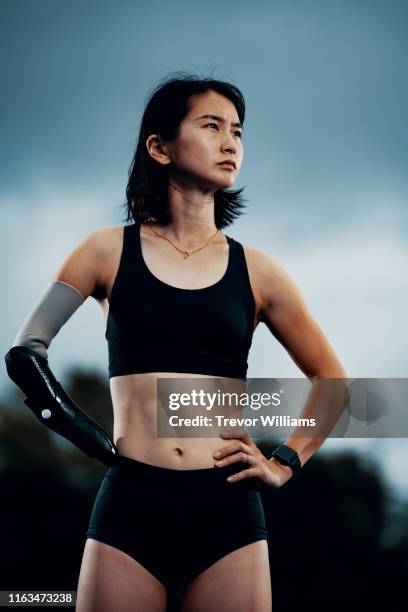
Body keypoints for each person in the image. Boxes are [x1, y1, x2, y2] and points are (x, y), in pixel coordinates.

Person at [5, 73, 347, 612]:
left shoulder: (260, 272)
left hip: (229, 513)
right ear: (159, 147)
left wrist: (284, 463)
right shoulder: (104, 251)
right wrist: (89, 439)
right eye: (211, 126)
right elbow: (26, 354)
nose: (230, 141)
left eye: (237, 130)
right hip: (131, 505)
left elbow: (335, 384)